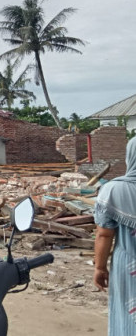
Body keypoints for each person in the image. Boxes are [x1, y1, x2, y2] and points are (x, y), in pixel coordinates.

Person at [93, 137, 136, 335]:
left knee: (128, 313)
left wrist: (100, 268)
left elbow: (104, 234)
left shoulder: (113, 190)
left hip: (128, 266)